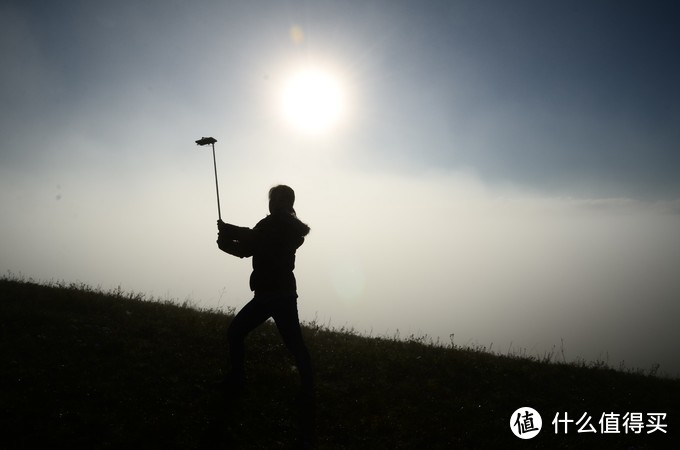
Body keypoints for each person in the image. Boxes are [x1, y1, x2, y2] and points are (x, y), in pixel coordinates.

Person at [216, 184, 315, 444]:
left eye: (276, 198)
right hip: (280, 294)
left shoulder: (279, 225)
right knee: (295, 345)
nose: (273, 202)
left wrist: (228, 232)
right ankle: (307, 389)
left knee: (236, 332)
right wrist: (226, 243)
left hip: (271, 294)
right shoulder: (288, 227)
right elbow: (248, 248)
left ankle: (238, 379)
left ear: (281, 202)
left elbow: (254, 240)